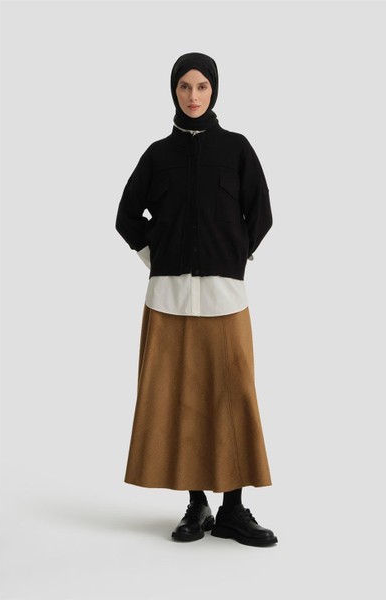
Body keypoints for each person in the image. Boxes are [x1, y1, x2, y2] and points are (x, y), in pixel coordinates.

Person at [115, 52, 278, 548]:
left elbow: (261, 214)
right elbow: (126, 217)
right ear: (173, 91)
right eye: (184, 86)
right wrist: (157, 255)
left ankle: (233, 509)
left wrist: (232, 254)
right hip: (167, 299)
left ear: (214, 90)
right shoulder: (157, 155)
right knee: (181, 400)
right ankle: (196, 504)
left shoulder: (236, 149)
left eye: (201, 86)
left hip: (225, 299)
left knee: (233, 397)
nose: (193, 96)